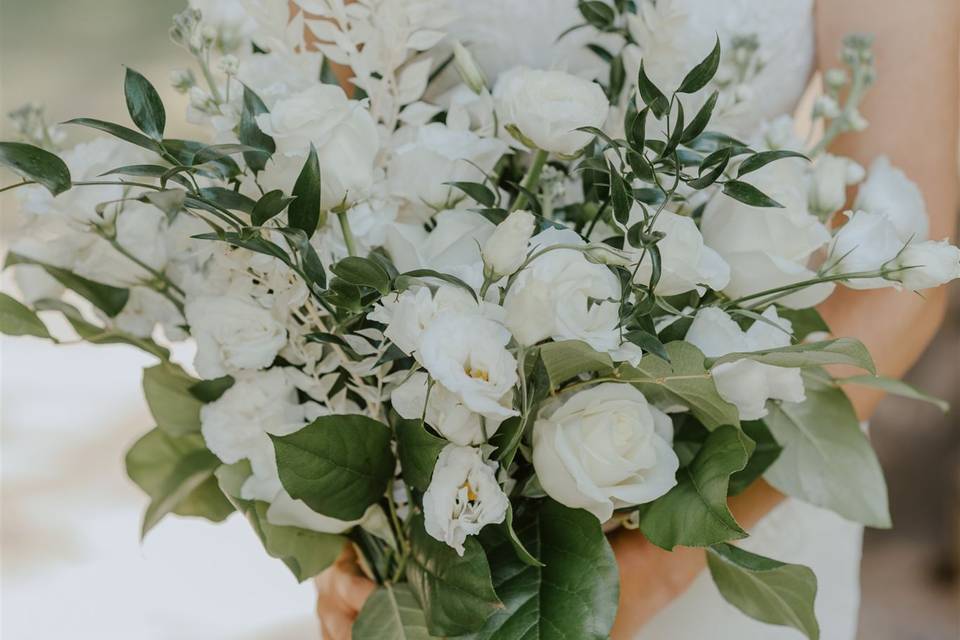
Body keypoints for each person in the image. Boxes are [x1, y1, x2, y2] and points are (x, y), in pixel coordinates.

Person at [313, 1, 960, 638]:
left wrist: (658, 567)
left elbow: (898, 278)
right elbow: (307, 170)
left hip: (723, 488)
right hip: (422, 493)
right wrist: (342, 534)